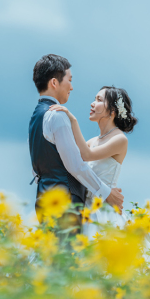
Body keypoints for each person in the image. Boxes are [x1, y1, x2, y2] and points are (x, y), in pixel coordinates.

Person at [29, 54, 124, 236]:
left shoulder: (36, 116)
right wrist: (107, 193)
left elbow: (38, 167)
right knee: (66, 259)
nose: (72, 87)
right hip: (64, 200)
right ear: (54, 83)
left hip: (43, 197)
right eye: (69, 80)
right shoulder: (56, 115)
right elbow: (76, 166)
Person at [48, 86, 138, 236]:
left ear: (112, 111)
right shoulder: (92, 141)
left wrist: (73, 120)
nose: (92, 103)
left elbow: (86, 155)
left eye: (99, 100)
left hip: (104, 210)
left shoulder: (120, 139)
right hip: (86, 207)